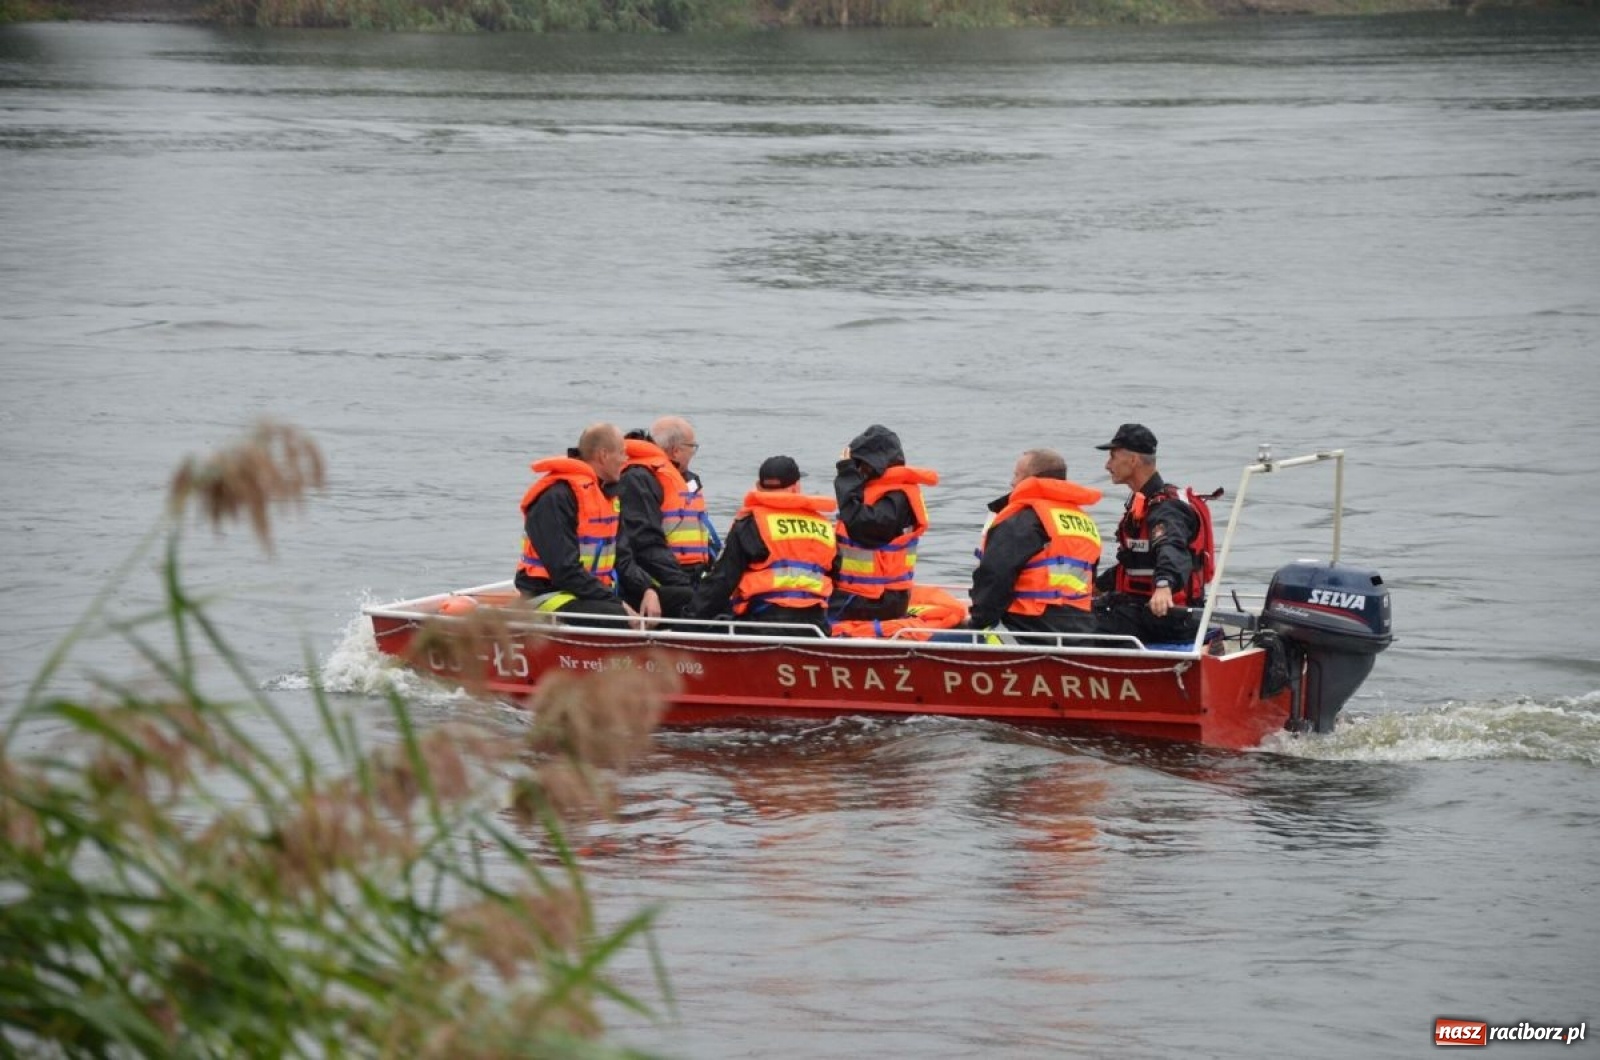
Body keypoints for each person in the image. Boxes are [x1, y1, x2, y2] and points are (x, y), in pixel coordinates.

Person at [513, 422, 661, 626]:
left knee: (672, 599)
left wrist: (648, 589)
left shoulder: (607, 495)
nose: (626, 459)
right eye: (622, 453)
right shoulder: (557, 497)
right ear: (603, 455)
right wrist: (616, 602)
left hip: (589, 593)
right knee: (617, 617)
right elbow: (565, 570)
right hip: (549, 595)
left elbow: (624, 559)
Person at [687, 456, 836, 636]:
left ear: (758, 486)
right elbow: (837, 574)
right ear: (796, 487)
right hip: (815, 624)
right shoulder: (823, 525)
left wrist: (688, 623)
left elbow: (722, 580)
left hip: (763, 622)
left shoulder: (752, 523)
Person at [967, 448, 1102, 637]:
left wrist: (977, 622)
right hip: (1079, 630)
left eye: (1016, 475)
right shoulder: (1084, 521)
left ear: (1031, 479)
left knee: (957, 633)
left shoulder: (1024, 519)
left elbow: (995, 576)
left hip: (1027, 629)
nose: (1012, 482)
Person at [1094, 423, 1206, 646]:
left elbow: (1172, 548)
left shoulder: (1166, 508)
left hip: (1167, 616)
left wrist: (1164, 585)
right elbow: (1136, 563)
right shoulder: (1143, 503)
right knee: (1076, 608)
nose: (1107, 465)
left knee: (1075, 623)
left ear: (1133, 460)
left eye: (1113, 457)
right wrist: (1094, 587)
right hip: (1141, 609)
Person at [830, 424, 939, 623]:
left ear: (875, 464)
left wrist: (846, 476)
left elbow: (861, 526)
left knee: (805, 608)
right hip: (871, 596)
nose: (858, 471)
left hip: (875, 599)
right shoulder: (887, 495)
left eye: (860, 465)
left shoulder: (897, 498)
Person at [617, 416, 714, 618]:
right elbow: (646, 543)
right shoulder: (639, 479)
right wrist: (684, 583)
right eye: (692, 447)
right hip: (654, 579)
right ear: (676, 451)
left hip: (689, 574)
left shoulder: (685, 481)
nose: (693, 453)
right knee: (694, 600)